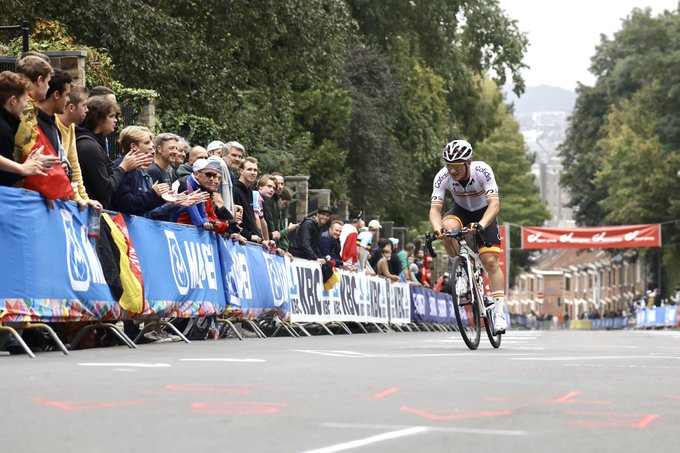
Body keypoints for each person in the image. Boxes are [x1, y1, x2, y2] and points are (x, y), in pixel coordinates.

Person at [429, 139, 506, 333]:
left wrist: (481, 224)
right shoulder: (442, 176)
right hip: (461, 211)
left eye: (457, 166)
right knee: (447, 229)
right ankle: (462, 271)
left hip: (484, 213)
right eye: (449, 166)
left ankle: (499, 314)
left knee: (490, 261)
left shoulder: (483, 171)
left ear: (468, 162)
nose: (452, 171)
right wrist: (438, 229)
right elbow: (435, 210)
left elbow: (495, 204)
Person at [77, 96, 150, 208]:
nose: (115, 120)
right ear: (98, 119)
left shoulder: (95, 144)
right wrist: (123, 167)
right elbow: (105, 189)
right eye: (111, 116)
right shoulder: (89, 147)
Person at [0, 71, 59, 184]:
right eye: (24, 100)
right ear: (13, 101)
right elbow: (4, 177)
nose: (25, 105)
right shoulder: (3, 131)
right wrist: (24, 168)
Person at [56, 85, 101, 210]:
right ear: (71, 108)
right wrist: (76, 197)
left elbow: (74, 164)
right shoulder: (54, 124)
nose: (87, 110)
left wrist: (84, 198)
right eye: (84, 105)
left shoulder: (71, 126)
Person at [233, 156, 263, 242]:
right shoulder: (235, 190)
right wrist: (249, 236)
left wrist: (261, 238)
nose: (253, 173)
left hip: (254, 239)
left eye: (255, 170)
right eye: (249, 169)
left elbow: (252, 218)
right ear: (241, 171)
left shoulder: (250, 191)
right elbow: (237, 219)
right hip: (242, 240)